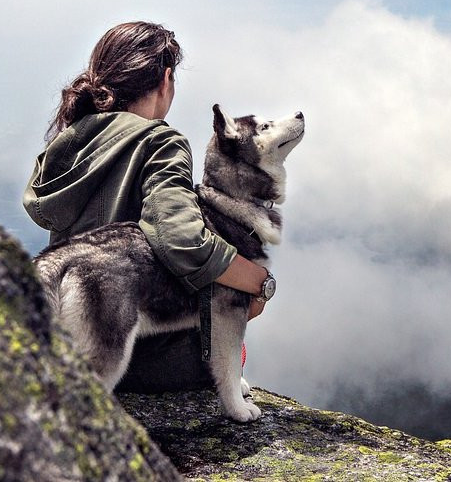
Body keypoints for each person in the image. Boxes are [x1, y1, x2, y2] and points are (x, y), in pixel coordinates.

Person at [23, 21, 269, 392]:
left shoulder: (67, 143)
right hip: (137, 357)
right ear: (166, 79)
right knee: (232, 344)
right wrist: (258, 282)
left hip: (69, 343)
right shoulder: (160, 142)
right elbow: (180, 237)